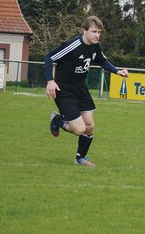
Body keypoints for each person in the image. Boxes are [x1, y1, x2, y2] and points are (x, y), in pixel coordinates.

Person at [45, 16, 129, 166]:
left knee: (90, 126)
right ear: (84, 31)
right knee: (79, 129)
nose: (97, 35)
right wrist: (50, 80)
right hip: (64, 91)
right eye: (94, 31)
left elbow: (102, 61)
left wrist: (117, 71)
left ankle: (80, 158)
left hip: (81, 89)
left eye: (99, 32)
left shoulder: (95, 46)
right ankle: (57, 120)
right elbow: (49, 57)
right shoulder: (72, 45)